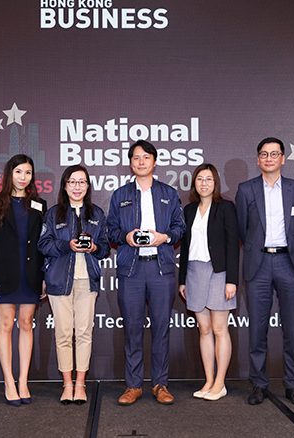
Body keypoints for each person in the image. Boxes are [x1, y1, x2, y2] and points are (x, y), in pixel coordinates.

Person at [106, 140, 186, 406]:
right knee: (132, 328)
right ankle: (133, 385)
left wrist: (165, 236)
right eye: (136, 158)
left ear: (154, 162)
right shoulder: (120, 194)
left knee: (162, 327)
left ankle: (160, 384)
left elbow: (179, 227)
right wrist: (125, 237)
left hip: (161, 267)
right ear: (131, 163)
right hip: (131, 268)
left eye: (146, 157)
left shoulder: (169, 193)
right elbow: (111, 231)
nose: (141, 162)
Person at [235, 137, 294, 407]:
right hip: (259, 266)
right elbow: (243, 230)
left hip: (289, 264)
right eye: (263, 154)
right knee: (257, 330)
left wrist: (288, 250)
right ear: (258, 159)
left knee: (292, 329)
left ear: (283, 158)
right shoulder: (245, 190)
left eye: (274, 154)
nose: (269, 158)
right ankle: (258, 384)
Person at [38, 165, 109, 405]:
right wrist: (66, 245)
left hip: (87, 281)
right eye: (73, 182)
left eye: (82, 182)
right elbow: (44, 245)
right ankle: (67, 384)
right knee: (64, 334)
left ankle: (81, 384)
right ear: (65, 186)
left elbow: (105, 247)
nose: (77, 187)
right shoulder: (53, 213)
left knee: (84, 333)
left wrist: (94, 248)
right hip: (59, 281)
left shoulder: (97, 213)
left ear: (88, 186)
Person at [0, 154, 46, 406]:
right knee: (6, 325)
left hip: (31, 275)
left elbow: (42, 244)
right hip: (5, 274)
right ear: (10, 174)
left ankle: (23, 381)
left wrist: (42, 276)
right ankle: (9, 381)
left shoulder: (39, 204)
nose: (23, 177)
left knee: (26, 324)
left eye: (28, 173)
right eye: (19, 172)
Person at [178, 163, 239, 401]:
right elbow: (184, 247)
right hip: (194, 272)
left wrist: (231, 280)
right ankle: (209, 381)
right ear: (194, 183)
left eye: (209, 179)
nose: (204, 183)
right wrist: (182, 280)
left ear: (216, 183)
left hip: (219, 272)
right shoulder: (189, 210)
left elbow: (233, 245)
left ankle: (220, 383)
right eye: (200, 179)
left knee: (219, 329)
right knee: (204, 330)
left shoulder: (225, 207)